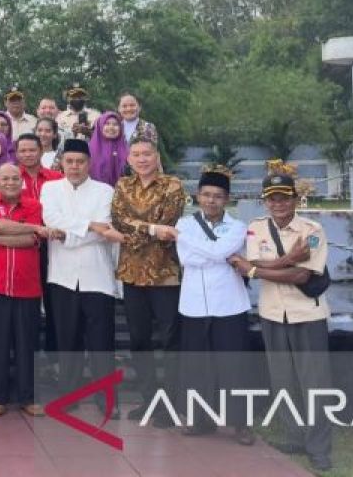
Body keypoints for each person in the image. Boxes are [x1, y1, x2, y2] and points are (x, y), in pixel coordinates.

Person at [229, 173, 333, 472]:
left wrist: (254, 270)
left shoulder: (313, 230)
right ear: (265, 200)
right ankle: (295, 437)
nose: (278, 203)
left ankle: (319, 448)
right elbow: (253, 262)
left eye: (284, 197)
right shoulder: (254, 229)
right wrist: (288, 259)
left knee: (315, 384)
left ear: (295, 199)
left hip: (307, 315)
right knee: (283, 380)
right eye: (272, 198)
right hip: (273, 313)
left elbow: (303, 275)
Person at [164, 167, 254, 445]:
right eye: (206, 195)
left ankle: (240, 424)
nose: (211, 201)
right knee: (196, 366)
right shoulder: (185, 223)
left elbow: (214, 253)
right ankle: (199, 419)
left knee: (233, 366)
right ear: (197, 196)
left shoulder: (238, 227)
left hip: (229, 305)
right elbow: (187, 260)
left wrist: (185, 240)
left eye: (217, 196)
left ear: (227, 199)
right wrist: (209, 251)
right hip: (193, 305)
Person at [40, 139, 125, 417]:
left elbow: (105, 226)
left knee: (101, 340)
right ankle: (70, 394)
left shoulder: (104, 191)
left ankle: (105, 397)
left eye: (80, 162)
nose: (75, 167)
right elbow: (51, 219)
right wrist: (89, 226)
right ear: (62, 163)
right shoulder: (50, 189)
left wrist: (67, 232)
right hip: (62, 276)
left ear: (89, 163)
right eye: (70, 161)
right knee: (68, 338)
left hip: (97, 275)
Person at [110, 136, 186, 424]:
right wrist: (152, 229)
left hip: (164, 273)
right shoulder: (123, 185)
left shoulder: (172, 185)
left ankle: (170, 403)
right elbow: (117, 220)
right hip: (132, 273)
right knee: (139, 340)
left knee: (170, 341)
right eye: (137, 155)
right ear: (129, 160)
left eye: (147, 154)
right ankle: (149, 399)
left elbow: (170, 223)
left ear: (156, 157)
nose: (142, 159)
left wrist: (142, 229)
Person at [0, 164, 52, 418]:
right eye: (4, 178)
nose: (10, 182)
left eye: (14, 178)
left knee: (27, 344)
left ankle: (27, 397)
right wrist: (31, 228)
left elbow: (30, 241)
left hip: (27, 286)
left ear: (21, 181)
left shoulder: (33, 205)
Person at [14, 133, 64, 353]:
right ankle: (28, 355)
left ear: (41, 152)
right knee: (27, 302)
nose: (27, 154)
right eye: (22, 150)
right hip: (24, 243)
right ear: (16, 154)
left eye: (31, 150)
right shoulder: (11, 178)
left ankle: (54, 355)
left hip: (55, 246)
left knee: (55, 300)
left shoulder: (56, 178)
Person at [88, 111, 129, 187]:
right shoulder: (88, 151)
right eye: (107, 124)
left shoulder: (129, 151)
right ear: (100, 126)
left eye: (115, 124)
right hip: (95, 194)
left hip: (121, 195)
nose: (111, 127)